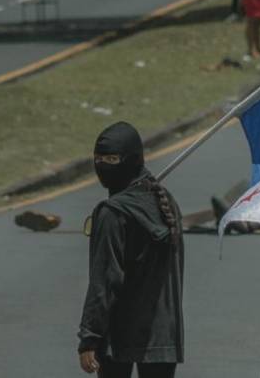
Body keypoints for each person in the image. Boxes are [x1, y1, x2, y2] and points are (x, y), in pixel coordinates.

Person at [78, 122, 184, 378]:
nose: (103, 165)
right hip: (164, 334)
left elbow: (105, 280)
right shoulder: (166, 202)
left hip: (118, 335)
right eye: (98, 159)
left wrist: (90, 337)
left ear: (133, 159)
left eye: (112, 159)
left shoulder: (112, 213)